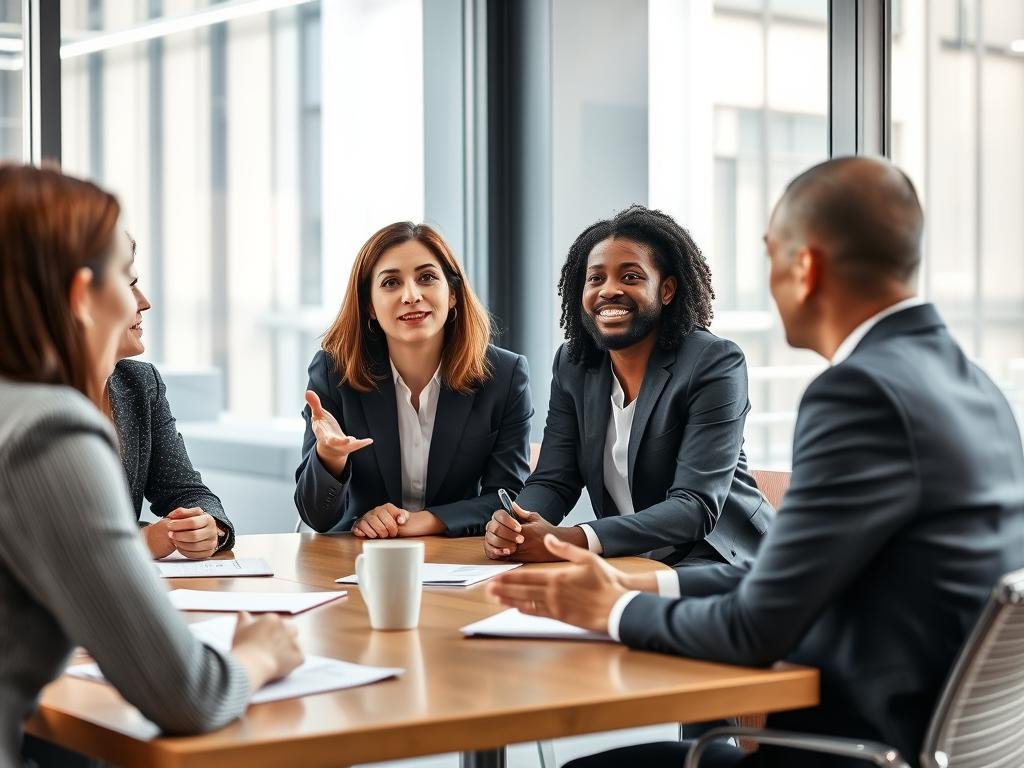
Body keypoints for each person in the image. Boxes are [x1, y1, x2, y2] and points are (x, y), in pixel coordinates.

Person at [487, 157, 1024, 767]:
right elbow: (796, 578)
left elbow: (755, 627)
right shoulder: (977, 388)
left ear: (805, 266)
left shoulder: (859, 393)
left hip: (849, 750)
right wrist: (644, 581)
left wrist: (612, 608)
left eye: (770, 256)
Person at [0, 164, 303, 767]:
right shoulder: (48, 429)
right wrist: (261, 653)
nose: (143, 300)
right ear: (81, 296)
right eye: (125, 276)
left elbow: (187, 490)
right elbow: (187, 696)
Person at [484, 205, 771, 565]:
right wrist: (516, 524)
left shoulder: (713, 362)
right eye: (596, 278)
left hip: (719, 557)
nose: (609, 290)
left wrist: (573, 539)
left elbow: (694, 507)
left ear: (666, 290)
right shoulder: (574, 363)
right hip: (629, 559)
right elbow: (555, 480)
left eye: (631, 277)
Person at [295, 221, 533, 538]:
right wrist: (330, 456)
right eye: (391, 283)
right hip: (359, 555)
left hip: (458, 560)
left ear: (453, 294)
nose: (411, 295)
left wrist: (424, 521)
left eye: (426, 278)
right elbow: (317, 517)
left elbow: (507, 499)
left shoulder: (504, 375)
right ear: (370, 306)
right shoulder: (334, 371)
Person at [106, 233, 234, 560]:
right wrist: (145, 541)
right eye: (129, 285)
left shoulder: (139, 383)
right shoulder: (30, 404)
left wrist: (208, 526)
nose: (145, 301)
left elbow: (186, 491)